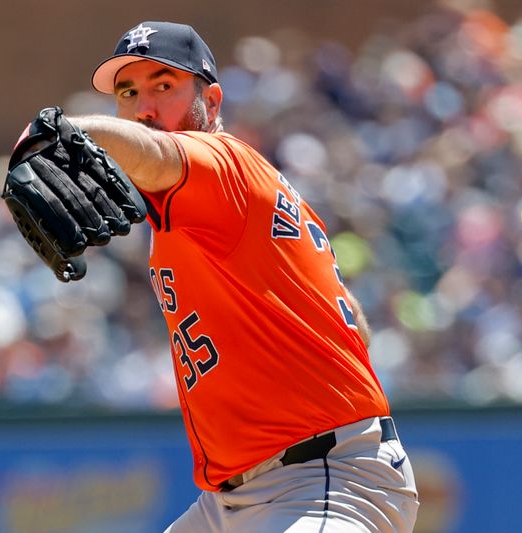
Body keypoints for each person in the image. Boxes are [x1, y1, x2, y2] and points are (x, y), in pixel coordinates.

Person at [74, 20, 419, 532]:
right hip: (236, 500)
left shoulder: (221, 162)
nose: (144, 108)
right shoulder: (209, 205)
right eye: (129, 92)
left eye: (163, 86)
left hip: (325, 480)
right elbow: (353, 329)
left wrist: (57, 131)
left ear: (211, 103)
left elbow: (153, 150)